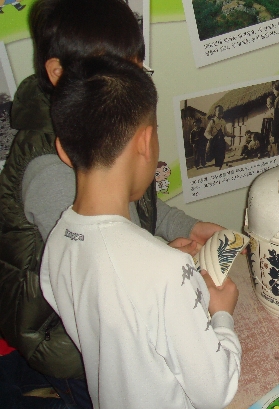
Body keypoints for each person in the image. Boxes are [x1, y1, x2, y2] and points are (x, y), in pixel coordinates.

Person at [0, 0, 226, 407]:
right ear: (58, 72)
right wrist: (173, 267)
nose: (131, 78)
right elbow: (114, 270)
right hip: (74, 353)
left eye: (136, 64)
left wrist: (185, 229)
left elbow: (129, 214)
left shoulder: (92, 139)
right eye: (118, 66)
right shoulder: (48, 172)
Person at [41, 55, 241, 409]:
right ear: (146, 143)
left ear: (63, 152)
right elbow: (216, 392)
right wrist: (222, 312)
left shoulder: (57, 241)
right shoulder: (163, 271)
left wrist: (165, 263)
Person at [204, 105, 232, 170]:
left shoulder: (223, 121)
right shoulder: (212, 121)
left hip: (221, 141)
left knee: (221, 157)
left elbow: (225, 132)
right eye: (219, 111)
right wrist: (210, 137)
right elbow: (206, 132)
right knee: (211, 156)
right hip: (214, 141)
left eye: (222, 111)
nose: (220, 113)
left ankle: (219, 169)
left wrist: (231, 135)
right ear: (215, 112)